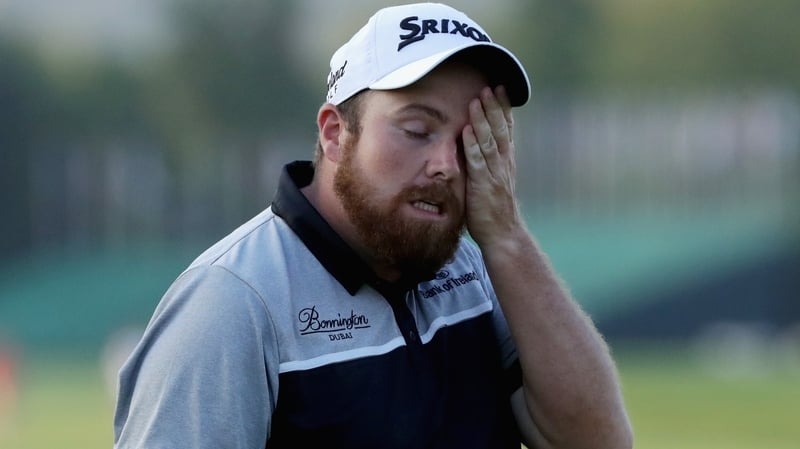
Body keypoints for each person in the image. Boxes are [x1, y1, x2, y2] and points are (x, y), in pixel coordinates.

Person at [113, 3, 633, 448]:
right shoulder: (236, 303)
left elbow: (598, 440)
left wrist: (508, 237)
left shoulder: (473, 270)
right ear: (336, 133)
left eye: (469, 139)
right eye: (417, 129)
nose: (447, 165)